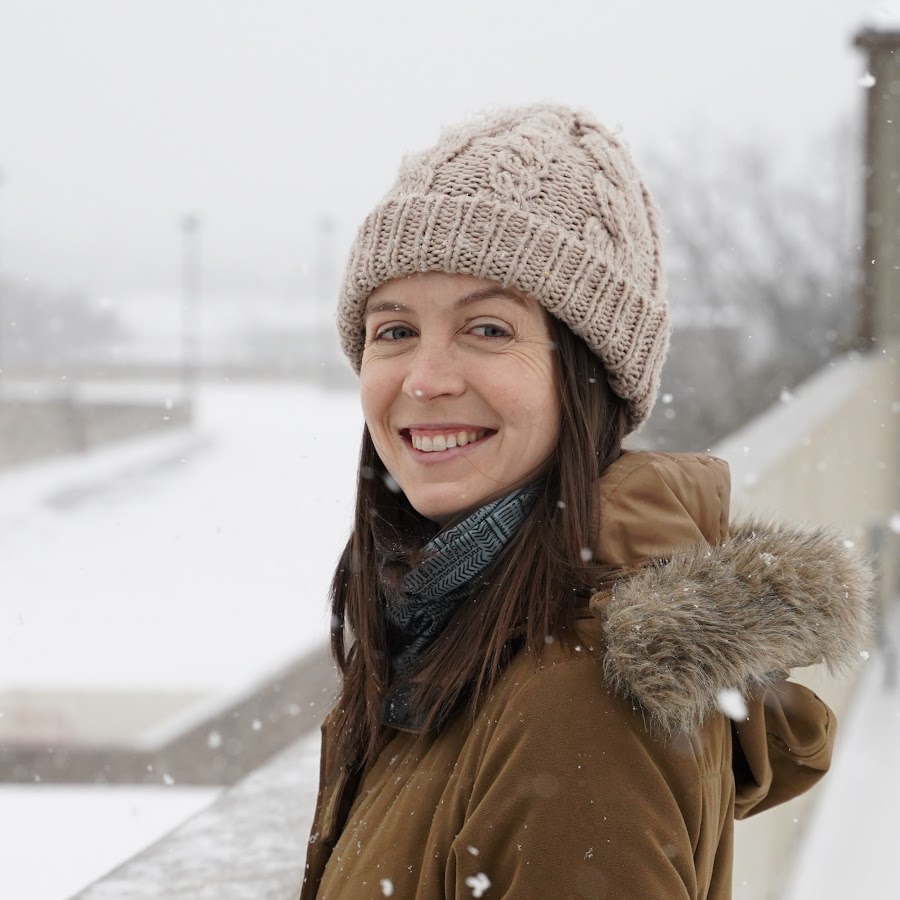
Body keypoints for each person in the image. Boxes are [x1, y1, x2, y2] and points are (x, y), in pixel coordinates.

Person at [299, 104, 873, 899]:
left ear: (589, 373)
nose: (425, 380)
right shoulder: (449, 626)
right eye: (394, 331)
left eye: (488, 329)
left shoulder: (576, 705)